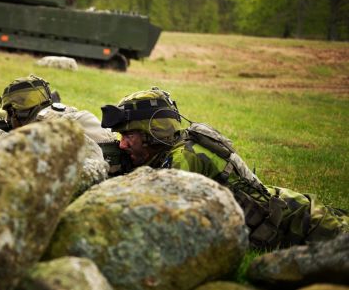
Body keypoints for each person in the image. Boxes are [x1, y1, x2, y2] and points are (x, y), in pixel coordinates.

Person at [101, 87, 348, 249]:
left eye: (128, 135)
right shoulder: (177, 148)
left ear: (154, 131)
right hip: (290, 209)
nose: (122, 144)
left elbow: (159, 223)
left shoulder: (186, 158)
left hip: (301, 224)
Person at [0, 74, 114, 144]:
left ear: (15, 112)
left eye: (9, 113)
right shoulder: (64, 113)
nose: (8, 120)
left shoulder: (41, 125)